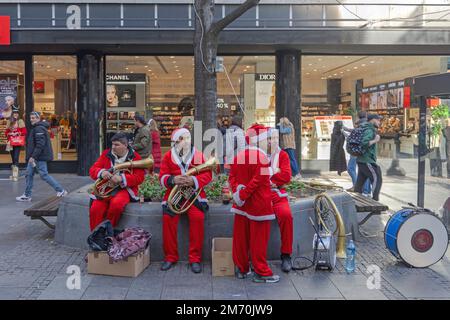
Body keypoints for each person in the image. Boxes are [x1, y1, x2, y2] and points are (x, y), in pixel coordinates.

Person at [229, 124, 280, 283]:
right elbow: (260, 180)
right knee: (258, 241)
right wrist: (244, 194)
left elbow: (232, 178)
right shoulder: (263, 158)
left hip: (241, 205)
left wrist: (238, 193)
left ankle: (241, 268)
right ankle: (261, 272)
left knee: (240, 238)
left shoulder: (238, 156)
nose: (269, 142)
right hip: (259, 205)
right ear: (259, 140)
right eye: (267, 139)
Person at [159, 128, 212, 273]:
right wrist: (172, 179)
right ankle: (170, 257)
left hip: (194, 194)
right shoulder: (168, 156)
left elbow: (208, 176)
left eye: (188, 138)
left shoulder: (199, 155)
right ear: (175, 141)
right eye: (182, 138)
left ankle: (195, 259)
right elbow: (162, 177)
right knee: (167, 219)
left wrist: (193, 180)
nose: (186, 141)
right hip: (174, 194)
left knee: (198, 218)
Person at [88, 132, 145, 230]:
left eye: (117, 145)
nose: (113, 147)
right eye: (112, 144)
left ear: (125, 145)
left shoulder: (135, 157)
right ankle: (96, 235)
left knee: (117, 205)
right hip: (106, 189)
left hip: (125, 189)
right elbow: (93, 169)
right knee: (95, 209)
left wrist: (122, 178)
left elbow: (140, 177)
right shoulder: (106, 153)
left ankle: (108, 231)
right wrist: (101, 172)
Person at [16, 112, 67, 202]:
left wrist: (33, 156)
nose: (31, 119)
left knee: (44, 175)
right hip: (35, 156)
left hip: (39, 157)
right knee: (29, 174)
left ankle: (61, 190)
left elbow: (40, 145)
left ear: (38, 118)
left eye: (34, 118)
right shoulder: (36, 128)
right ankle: (27, 195)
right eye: (31, 118)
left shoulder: (38, 128)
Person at [267, 128, 293, 273]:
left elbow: (287, 176)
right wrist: (273, 173)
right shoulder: (260, 154)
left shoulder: (283, 155)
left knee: (286, 216)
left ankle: (286, 254)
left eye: (277, 138)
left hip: (278, 193)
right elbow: (256, 173)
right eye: (271, 138)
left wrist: (272, 179)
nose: (274, 141)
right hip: (261, 194)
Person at [355, 114, 383, 201]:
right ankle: (375, 202)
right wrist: (375, 140)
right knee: (377, 178)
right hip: (366, 160)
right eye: (378, 120)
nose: (379, 122)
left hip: (362, 160)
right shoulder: (369, 130)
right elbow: (364, 144)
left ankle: (355, 200)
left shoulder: (365, 128)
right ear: (373, 120)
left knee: (360, 182)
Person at [345, 111, 371, 195]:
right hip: (363, 151)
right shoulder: (366, 124)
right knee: (363, 170)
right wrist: (346, 129)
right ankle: (365, 190)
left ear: (358, 117)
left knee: (351, 168)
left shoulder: (362, 124)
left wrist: (345, 134)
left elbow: (356, 136)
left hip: (357, 150)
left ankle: (358, 187)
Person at [5, 110, 26, 181]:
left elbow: (24, 132)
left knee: (16, 157)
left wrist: (17, 133)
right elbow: (6, 132)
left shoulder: (20, 121)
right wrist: (10, 134)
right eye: (14, 113)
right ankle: (15, 172)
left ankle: (15, 174)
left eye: (17, 113)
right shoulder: (9, 121)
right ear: (12, 114)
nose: (15, 114)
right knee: (13, 157)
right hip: (11, 142)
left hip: (18, 141)